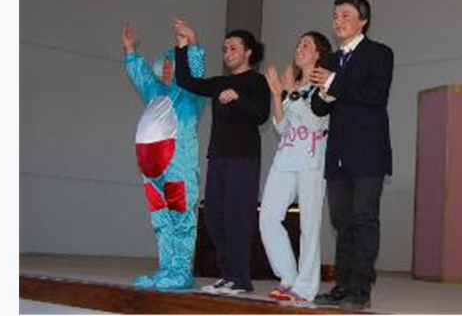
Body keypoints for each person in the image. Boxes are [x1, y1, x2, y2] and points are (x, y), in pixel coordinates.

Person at [310, 0, 394, 310]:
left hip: (368, 152)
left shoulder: (379, 53)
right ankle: (342, 285)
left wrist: (334, 83)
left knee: (363, 219)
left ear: (363, 21)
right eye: (335, 15)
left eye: (346, 15)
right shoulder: (329, 61)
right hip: (338, 152)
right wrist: (326, 91)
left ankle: (360, 290)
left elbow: (374, 95)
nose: (338, 21)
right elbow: (318, 107)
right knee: (341, 221)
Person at [174, 21, 270, 295]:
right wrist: (184, 46)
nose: (227, 53)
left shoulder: (257, 81)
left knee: (237, 218)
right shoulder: (219, 83)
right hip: (217, 157)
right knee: (214, 218)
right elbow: (186, 81)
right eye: (225, 49)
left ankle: (240, 279)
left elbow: (261, 115)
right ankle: (228, 275)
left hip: (243, 159)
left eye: (233, 48)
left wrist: (238, 98)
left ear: (248, 52)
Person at [122, 19, 206, 291]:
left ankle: (181, 271)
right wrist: (130, 52)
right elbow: (142, 76)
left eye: (174, 62)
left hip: (177, 164)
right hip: (152, 170)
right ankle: (166, 268)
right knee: (161, 219)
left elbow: (195, 72)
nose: (168, 66)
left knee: (181, 216)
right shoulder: (155, 91)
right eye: (165, 63)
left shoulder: (189, 93)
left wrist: (191, 45)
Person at [259, 31, 333, 302]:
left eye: (306, 45)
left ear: (318, 53)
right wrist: (276, 95)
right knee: (268, 217)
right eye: (298, 44)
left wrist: (291, 91)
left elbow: (315, 121)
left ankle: (306, 287)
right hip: (285, 159)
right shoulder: (294, 86)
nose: (299, 48)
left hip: (312, 161)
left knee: (309, 224)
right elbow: (281, 128)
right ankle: (288, 275)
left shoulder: (324, 84)